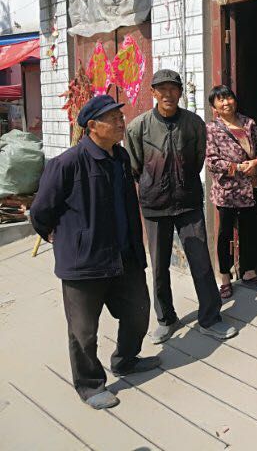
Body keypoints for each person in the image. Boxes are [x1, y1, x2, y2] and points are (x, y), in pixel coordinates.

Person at [30, 95, 159, 409]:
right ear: (92, 126)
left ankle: (125, 359)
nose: (120, 123)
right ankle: (90, 385)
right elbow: (41, 211)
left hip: (124, 256)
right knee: (84, 331)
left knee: (138, 312)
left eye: (120, 117)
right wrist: (57, 236)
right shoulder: (67, 163)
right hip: (85, 262)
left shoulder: (121, 158)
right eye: (113, 119)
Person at [125, 69, 236, 344]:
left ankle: (210, 318)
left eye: (173, 88)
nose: (168, 94)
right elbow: (134, 166)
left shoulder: (194, 123)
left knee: (201, 262)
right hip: (154, 206)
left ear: (180, 92)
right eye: (162, 89)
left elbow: (197, 161)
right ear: (153, 93)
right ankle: (166, 319)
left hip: (188, 202)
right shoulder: (138, 127)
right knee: (159, 266)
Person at [206, 85, 257, 298]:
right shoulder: (211, 129)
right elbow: (211, 161)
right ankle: (225, 277)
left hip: (250, 188)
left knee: (250, 231)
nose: (226, 103)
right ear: (214, 106)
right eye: (220, 100)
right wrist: (237, 167)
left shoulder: (249, 123)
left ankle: (249, 272)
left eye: (229, 98)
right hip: (227, 191)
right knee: (225, 235)